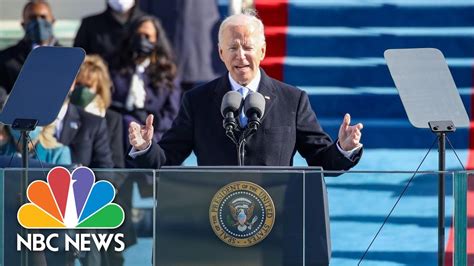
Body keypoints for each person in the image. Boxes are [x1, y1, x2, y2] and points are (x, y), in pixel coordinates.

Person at [128, 11, 364, 169]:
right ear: (221, 53)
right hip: (214, 217)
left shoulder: (292, 100)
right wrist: (145, 147)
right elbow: (168, 158)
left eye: (248, 47)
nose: (241, 55)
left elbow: (321, 159)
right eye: (232, 48)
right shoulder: (197, 101)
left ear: (262, 51)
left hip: (276, 218)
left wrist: (343, 148)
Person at [109, 16, 181, 142]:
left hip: (155, 134)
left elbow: (172, 115)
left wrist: (151, 122)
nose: (142, 40)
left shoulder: (168, 73)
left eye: (147, 36)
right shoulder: (115, 68)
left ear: (156, 40)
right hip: (119, 133)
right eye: (138, 36)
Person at [72, 55, 125, 168]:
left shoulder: (112, 119)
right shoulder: (64, 116)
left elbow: (118, 166)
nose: (82, 90)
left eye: (88, 86)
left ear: (99, 89)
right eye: (78, 84)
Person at [0, 0, 59, 93]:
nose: (39, 22)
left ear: (53, 21)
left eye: (43, 17)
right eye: (32, 18)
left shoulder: (72, 57)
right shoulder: (5, 59)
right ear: (23, 24)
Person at [73, 0, 147, 64]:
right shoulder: (90, 24)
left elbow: (156, 58)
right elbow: (76, 59)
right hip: (99, 78)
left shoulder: (148, 25)